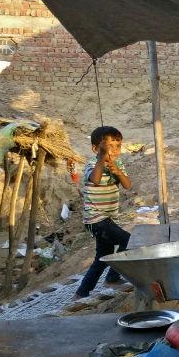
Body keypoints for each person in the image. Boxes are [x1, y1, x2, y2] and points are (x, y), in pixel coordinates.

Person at [74, 126, 132, 299]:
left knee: (102, 257)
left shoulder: (118, 164)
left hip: (107, 218)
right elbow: (96, 179)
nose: (114, 151)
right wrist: (101, 158)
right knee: (128, 241)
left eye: (117, 146)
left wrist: (118, 171)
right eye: (108, 147)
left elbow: (128, 185)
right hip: (96, 218)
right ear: (95, 149)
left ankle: (81, 292)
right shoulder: (91, 164)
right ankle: (112, 278)